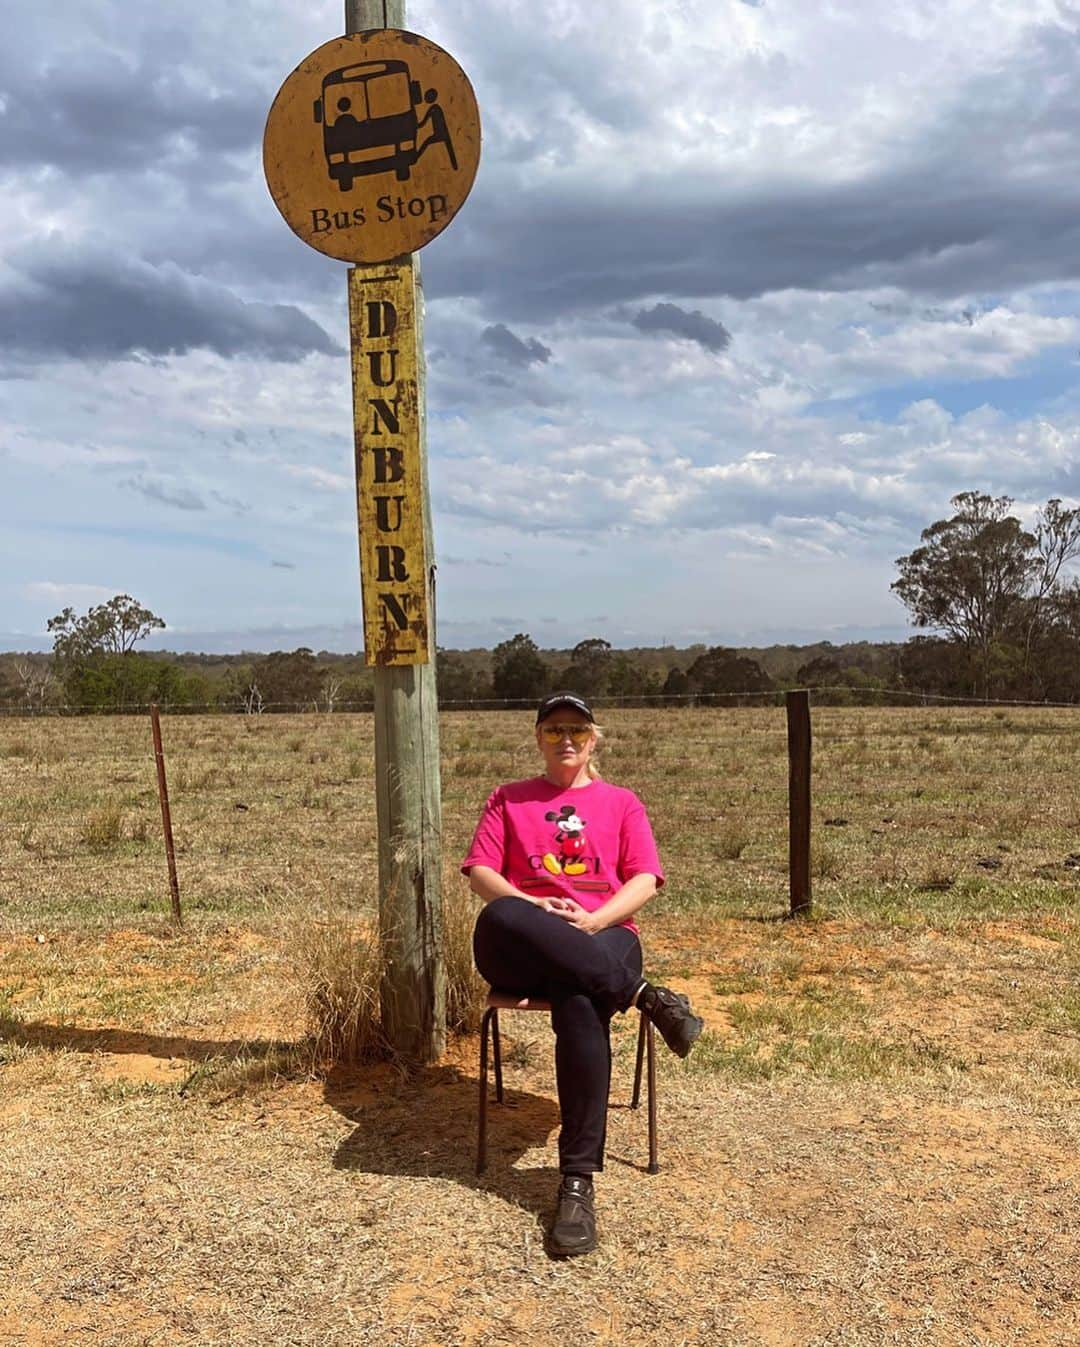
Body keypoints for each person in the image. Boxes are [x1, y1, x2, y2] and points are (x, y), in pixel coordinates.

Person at [462, 692, 704, 1258]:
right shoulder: (508, 798)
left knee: (580, 997)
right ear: (538, 738)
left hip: (605, 935)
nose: (564, 739)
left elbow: (645, 879)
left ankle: (576, 1185)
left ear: (594, 738)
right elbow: (480, 872)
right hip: (520, 941)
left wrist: (593, 920)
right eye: (552, 730)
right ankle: (647, 998)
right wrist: (533, 907)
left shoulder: (622, 803)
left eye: (576, 729)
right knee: (502, 911)